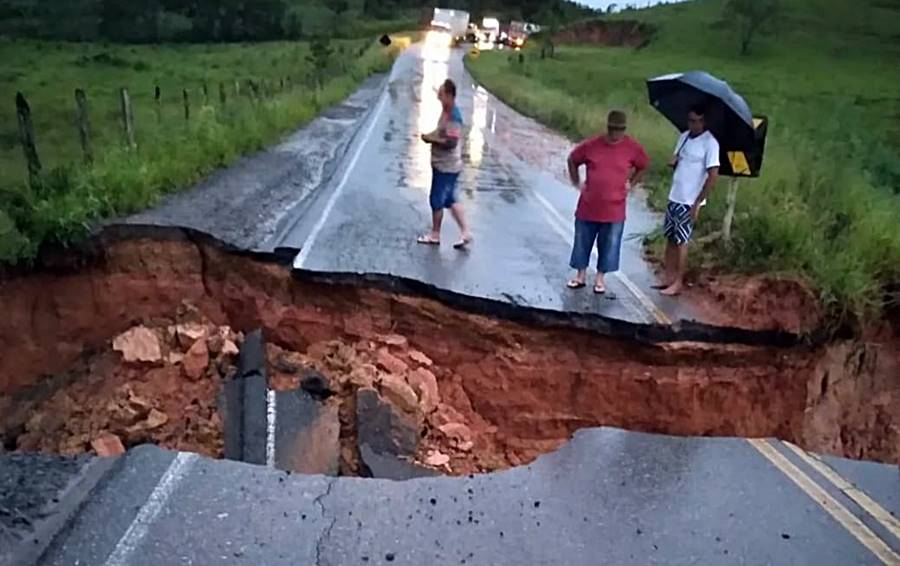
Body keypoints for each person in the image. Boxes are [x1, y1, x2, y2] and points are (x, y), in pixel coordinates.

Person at [566, 110, 649, 294]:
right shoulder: (592, 145)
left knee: (609, 244)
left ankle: (600, 278)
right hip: (589, 205)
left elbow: (643, 165)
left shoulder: (632, 148)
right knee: (582, 241)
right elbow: (573, 159)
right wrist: (576, 181)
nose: (615, 133)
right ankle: (580, 275)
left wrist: (631, 183)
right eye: (612, 129)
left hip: (614, 208)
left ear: (624, 130)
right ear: (608, 127)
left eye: (619, 130)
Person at [657, 105, 720, 296]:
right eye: (691, 120)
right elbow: (677, 160)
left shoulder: (710, 143)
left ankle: (679, 281)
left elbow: (713, 175)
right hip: (675, 195)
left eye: (697, 121)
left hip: (689, 200)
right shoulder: (684, 137)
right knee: (670, 237)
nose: (694, 124)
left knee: (682, 240)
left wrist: (698, 201)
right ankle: (668, 277)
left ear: (704, 122)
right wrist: (674, 162)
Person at [417, 78, 472, 249]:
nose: (439, 98)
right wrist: (430, 135)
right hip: (446, 165)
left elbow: (451, 142)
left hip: (446, 166)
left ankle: (435, 234)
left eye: (441, 95)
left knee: (437, 199)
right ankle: (466, 232)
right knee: (449, 199)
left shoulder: (454, 117)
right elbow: (441, 132)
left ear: (450, 95)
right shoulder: (446, 112)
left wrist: (432, 140)